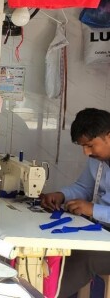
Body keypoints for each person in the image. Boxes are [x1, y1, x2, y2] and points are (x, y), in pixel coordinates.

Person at [40, 108, 110, 297]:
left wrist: (93, 210)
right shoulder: (98, 160)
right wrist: (62, 195)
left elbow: (92, 207)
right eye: (82, 146)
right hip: (103, 232)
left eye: (90, 145)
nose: (86, 152)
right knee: (57, 247)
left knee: (83, 257)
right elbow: (84, 187)